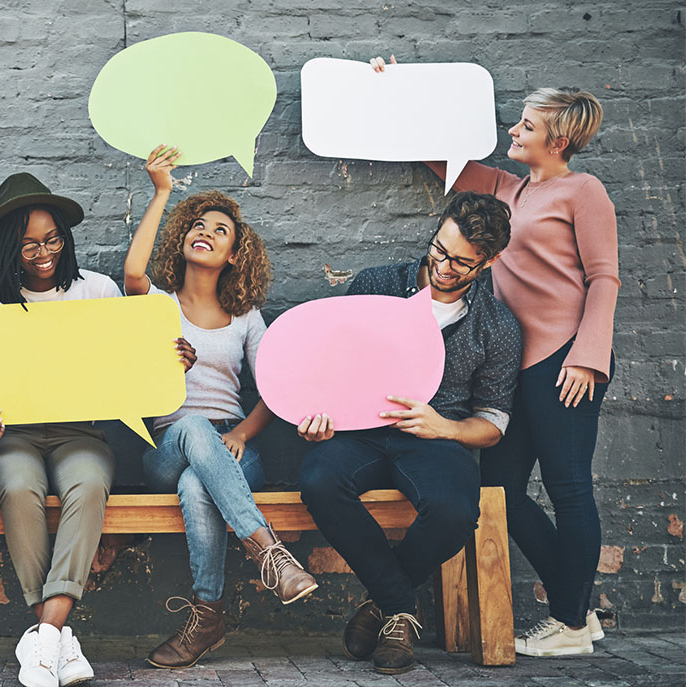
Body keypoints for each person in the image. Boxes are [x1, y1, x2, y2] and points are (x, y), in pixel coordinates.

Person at [372, 56, 620, 656]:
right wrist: (396, 86)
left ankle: (566, 623)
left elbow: (605, 276)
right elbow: (434, 155)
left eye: (527, 126)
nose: (514, 130)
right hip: (513, 366)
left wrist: (589, 356)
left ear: (558, 139)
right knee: (501, 494)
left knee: (569, 489)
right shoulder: (507, 189)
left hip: (564, 362)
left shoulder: (582, 191)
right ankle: (577, 611)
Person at [297, 190, 521, 675]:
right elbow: (327, 365)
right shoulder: (375, 284)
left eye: (462, 262)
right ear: (437, 230)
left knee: (456, 510)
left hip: (433, 439)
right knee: (318, 480)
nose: (444, 266)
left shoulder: (496, 324)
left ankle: (382, 608)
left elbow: (494, 423)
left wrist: (447, 427)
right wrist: (317, 418)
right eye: (440, 250)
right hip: (356, 431)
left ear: (489, 262)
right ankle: (400, 607)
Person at [124, 146, 317, 670]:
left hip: (232, 442)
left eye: (221, 230)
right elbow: (133, 271)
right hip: (166, 441)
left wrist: (244, 435)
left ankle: (206, 615)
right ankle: (269, 554)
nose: (205, 231)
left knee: (196, 483)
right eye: (199, 224)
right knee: (189, 429)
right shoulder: (159, 303)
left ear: (234, 255)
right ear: (185, 236)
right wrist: (163, 191)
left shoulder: (247, 316)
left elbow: (276, 388)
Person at [0, 172, 123, 687]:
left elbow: (127, 365)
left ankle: (45, 637)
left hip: (81, 431)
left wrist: (166, 362)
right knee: (17, 484)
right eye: (29, 243)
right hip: (15, 435)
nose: (42, 252)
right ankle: (59, 638)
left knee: (88, 482)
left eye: (52, 239)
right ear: (11, 248)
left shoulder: (98, 290)